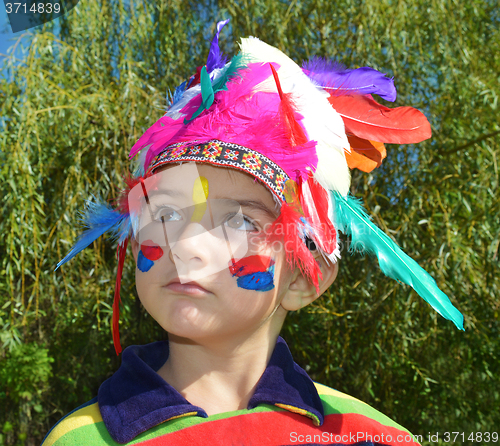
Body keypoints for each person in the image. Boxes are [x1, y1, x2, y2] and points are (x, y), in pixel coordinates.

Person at [42, 21, 464, 446]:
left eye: (241, 221)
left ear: (301, 277)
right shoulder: (77, 440)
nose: (186, 246)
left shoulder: (371, 436)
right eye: (167, 212)